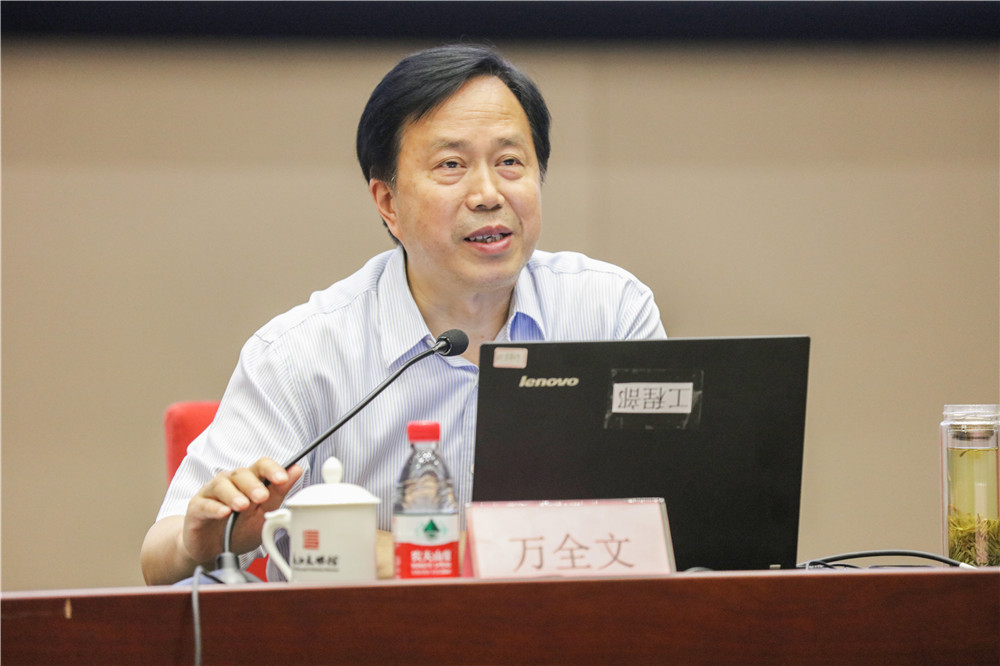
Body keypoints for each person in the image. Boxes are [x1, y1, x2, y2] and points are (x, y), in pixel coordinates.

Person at [140, 44, 666, 585]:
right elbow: (160, 558)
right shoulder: (304, 352)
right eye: (451, 165)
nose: (488, 194)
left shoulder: (610, 311)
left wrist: (419, 555)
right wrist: (196, 542)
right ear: (388, 202)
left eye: (510, 162)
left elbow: (670, 521)